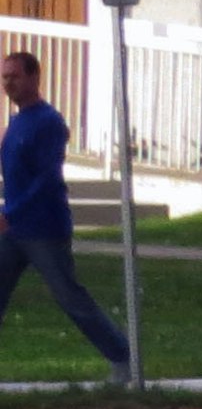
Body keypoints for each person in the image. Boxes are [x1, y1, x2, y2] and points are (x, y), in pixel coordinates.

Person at [0, 48, 137, 382]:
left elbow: (47, 179)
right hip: (11, 230)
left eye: (15, 76)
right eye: (4, 77)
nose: (8, 83)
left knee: (70, 296)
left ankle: (122, 359)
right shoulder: (16, 122)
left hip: (44, 229)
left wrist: (11, 213)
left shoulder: (48, 122)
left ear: (34, 77)